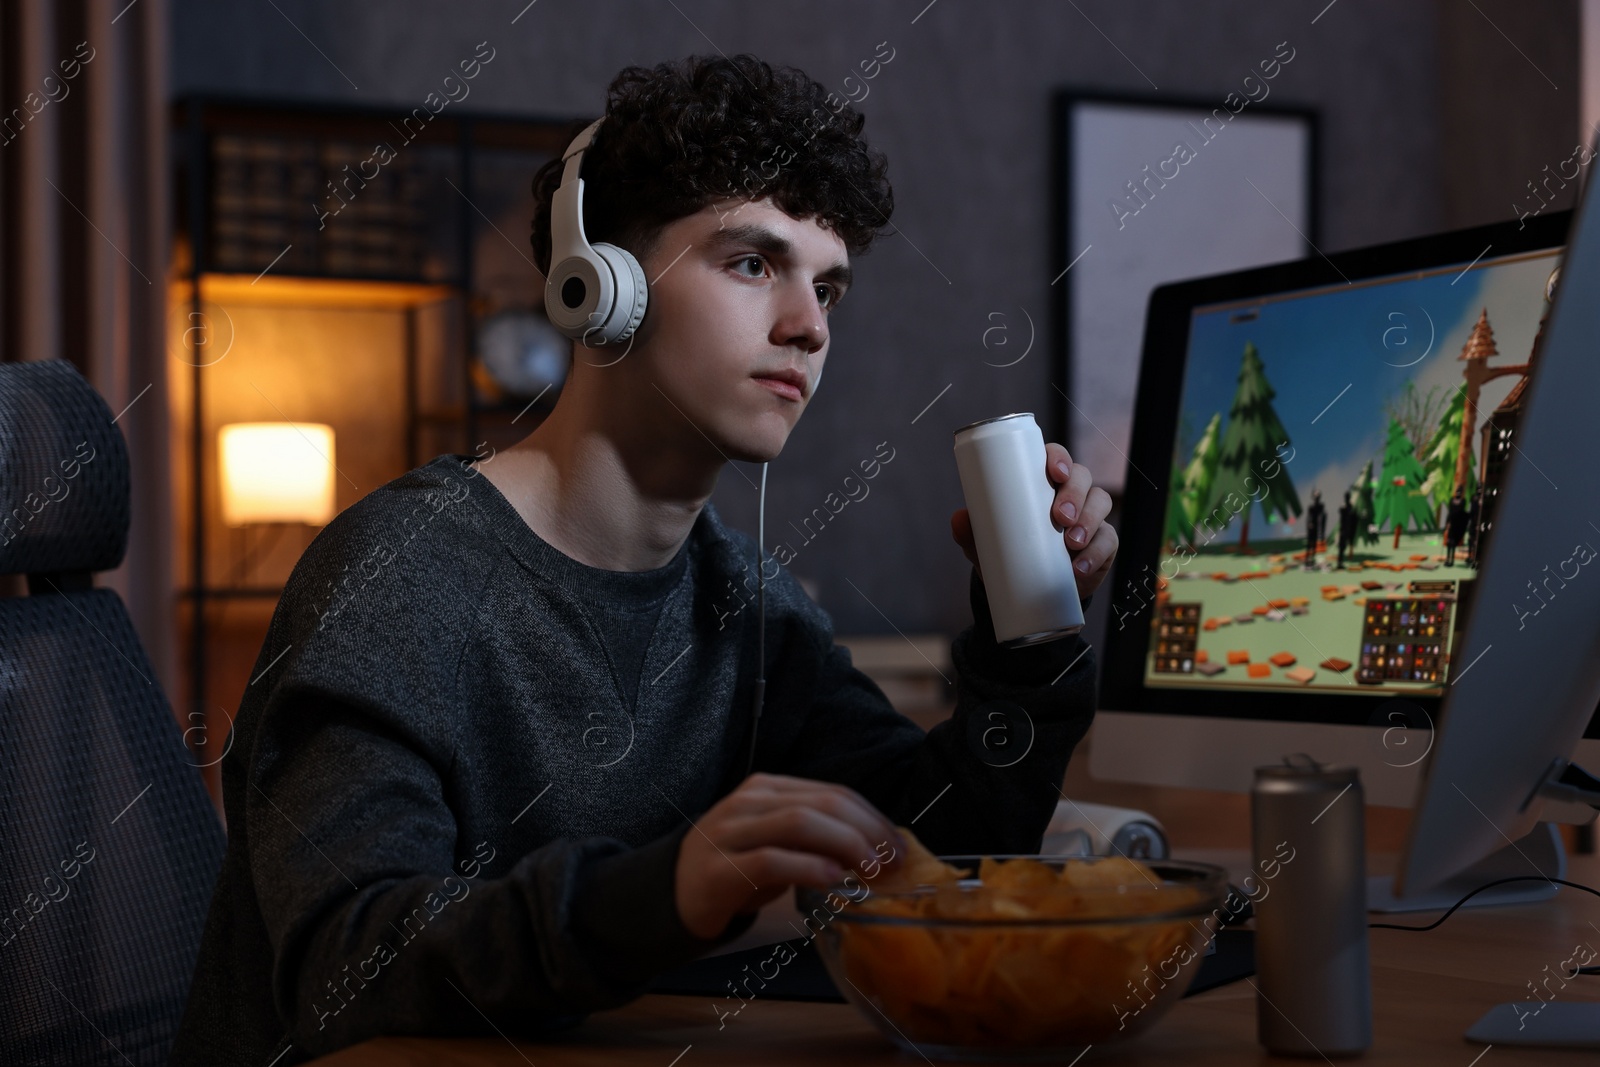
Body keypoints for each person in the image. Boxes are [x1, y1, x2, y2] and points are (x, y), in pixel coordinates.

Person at [171, 55, 1114, 1066]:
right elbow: (346, 967)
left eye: (827, 285)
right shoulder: (397, 579)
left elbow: (947, 843)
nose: (808, 326)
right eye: (752, 262)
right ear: (599, 287)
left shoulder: (747, 607)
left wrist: (1028, 624)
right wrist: (661, 891)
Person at [1444, 487, 1470, 566]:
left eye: (1460, 492)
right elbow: (1450, 512)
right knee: (1449, 542)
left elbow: (1461, 512)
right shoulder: (1452, 500)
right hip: (1452, 523)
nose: (1458, 493)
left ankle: (1451, 560)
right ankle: (1448, 559)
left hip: (1458, 525)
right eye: (1457, 492)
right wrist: (1447, 523)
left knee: (1453, 543)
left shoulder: (1463, 501)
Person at [1303, 488, 1326, 569]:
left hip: (1316, 527)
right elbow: (1309, 518)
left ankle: (1312, 559)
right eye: (1316, 497)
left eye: (1318, 497)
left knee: (1314, 545)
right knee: (1310, 544)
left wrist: (1322, 531)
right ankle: (1307, 559)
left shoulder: (1321, 506)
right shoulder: (1311, 507)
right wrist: (1309, 525)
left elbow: (1323, 518)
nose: (1317, 499)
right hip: (1311, 527)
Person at [1337, 490, 1359, 570]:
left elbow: (1354, 517)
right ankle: (1339, 563)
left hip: (1348, 530)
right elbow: (1341, 512)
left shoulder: (1350, 507)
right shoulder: (1344, 507)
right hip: (1344, 530)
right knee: (1341, 547)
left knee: (1345, 546)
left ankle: (1341, 562)